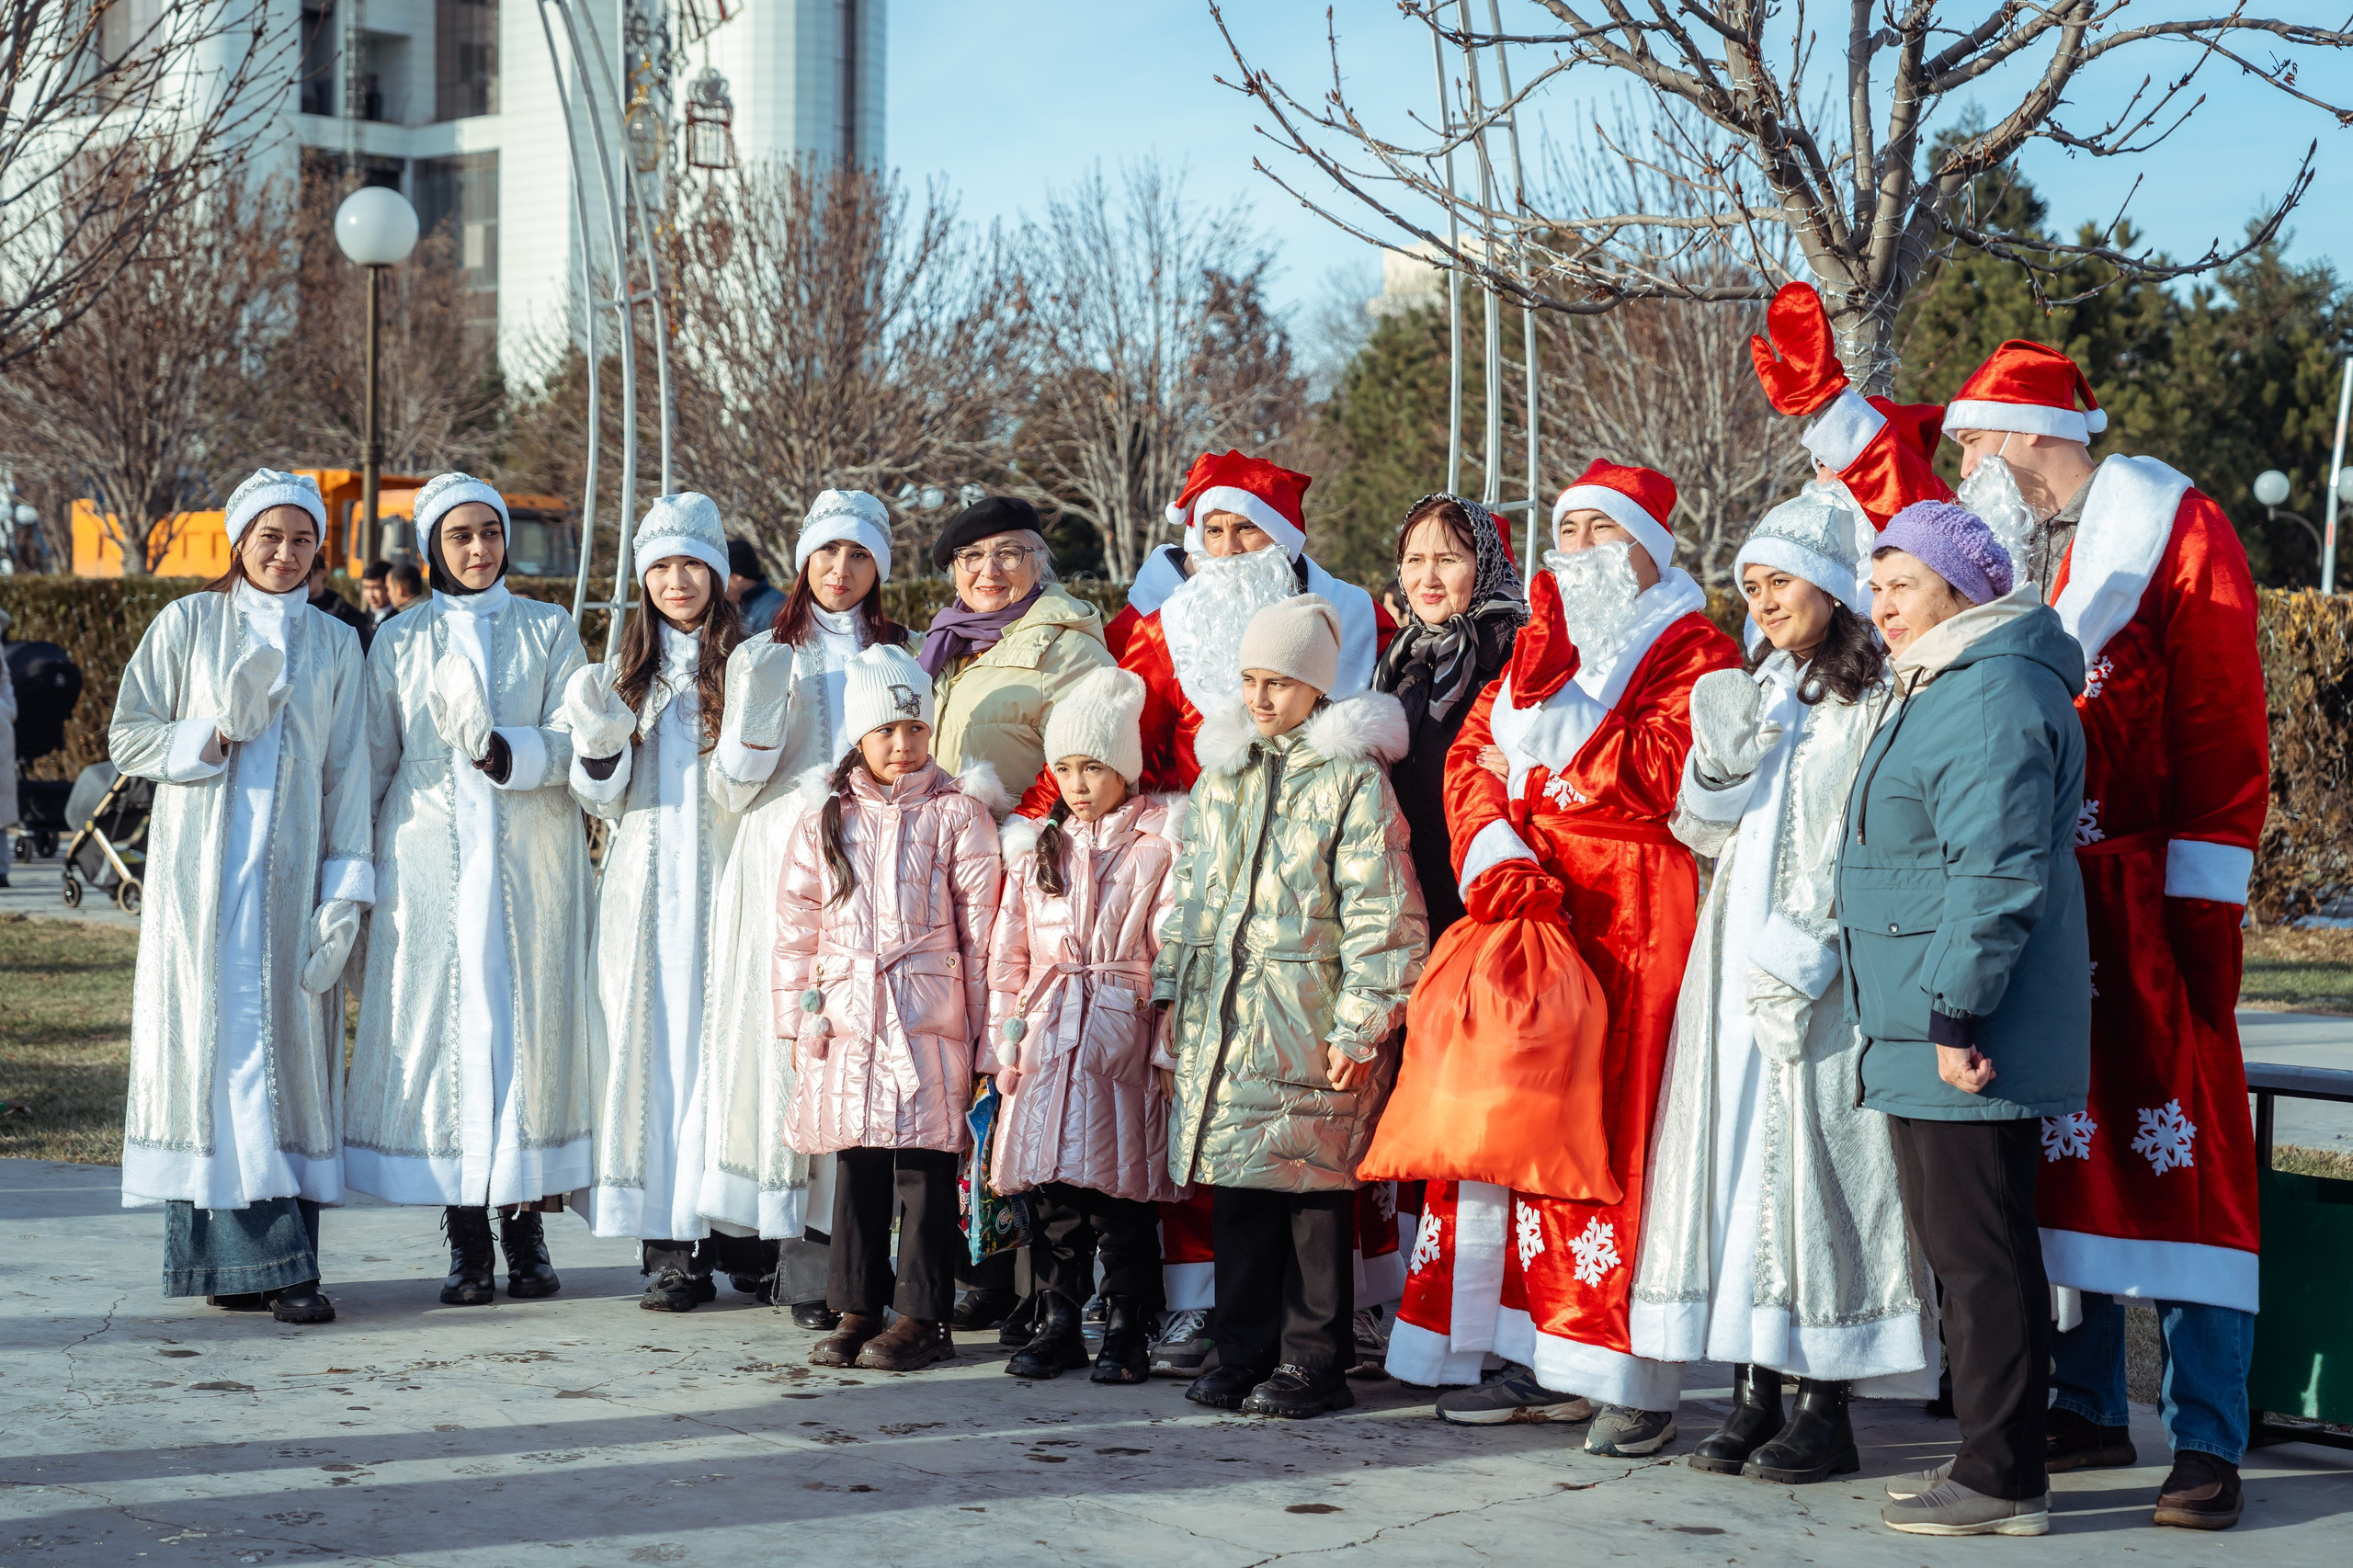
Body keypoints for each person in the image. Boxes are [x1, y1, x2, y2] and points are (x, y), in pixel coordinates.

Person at [1939, 341, 2269, 1532]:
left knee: (2187, 1154)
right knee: (2060, 1150)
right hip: (2051, 897)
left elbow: (2224, 720)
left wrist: (2200, 905)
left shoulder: (2173, 529)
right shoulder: (2047, 553)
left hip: (2148, 899)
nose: (1966, 461)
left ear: (2026, 429)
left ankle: (2208, 1439)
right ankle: (2082, 1403)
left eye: (1975, 439)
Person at [1015, 450, 1399, 1376]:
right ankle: (1205, 1308)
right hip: (1194, 877)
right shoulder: (1160, 624)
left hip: (1316, 886)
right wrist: (1031, 825)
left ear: (1285, 540)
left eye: (1246, 531)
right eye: (1212, 531)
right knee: (1203, 1105)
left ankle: (1340, 1312)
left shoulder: (1352, 618)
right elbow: (1104, 736)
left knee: (1319, 1119)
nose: (1227, 549)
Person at [1386, 460, 1739, 1457]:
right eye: (1567, 526)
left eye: (1599, 528)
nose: (1576, 546)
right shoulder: (1543, 643)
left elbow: (1671, 773)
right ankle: (1516, 1347)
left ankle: (1623, 1363)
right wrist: (1492, 843)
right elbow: (1469, 758)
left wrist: (1548, 755)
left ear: (1648, 547)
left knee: (1610, 1129)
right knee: (1508, 1120)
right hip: (1525, 903)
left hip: (1632, 915)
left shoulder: (1696, 646)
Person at [1630, 489, 1935, 1483]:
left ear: (1832, 587)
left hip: (1823, 972)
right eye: (1750, 584)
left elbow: (1870, 836)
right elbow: (1703, 833)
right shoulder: (1762, 685)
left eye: (1780, 581)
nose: (1761, 600)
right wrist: (1714, 767)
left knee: (1816, 1170)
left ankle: (1825, 1401)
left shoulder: (1871, 697)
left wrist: (1809, 950)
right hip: (1734, 967)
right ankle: (1755, 1386)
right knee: (1741, 1167)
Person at [1839, 499, 2089, 1537]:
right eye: (1876, 582)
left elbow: (1992, 871)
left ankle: (2002, 1479)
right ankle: (1992, 1456)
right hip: (1922, 1018)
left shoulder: (1988, 696)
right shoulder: (1945, 683)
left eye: (1900, 583)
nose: (1878, 602)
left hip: (1965, 1028)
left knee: (1980, 1253)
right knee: (1967, 1249)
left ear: (1960, 587)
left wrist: (1953, 1013)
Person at [108, 469, 372, 1324]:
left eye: (302, 540)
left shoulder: (335, 646)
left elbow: (349, 775)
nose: (286, 554)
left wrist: (344, 889)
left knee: (287, 1063)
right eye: (270, 538)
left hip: (292, 890)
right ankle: (268, 1269)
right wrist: (214, 734)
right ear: (238, 542)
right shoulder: (186, 624)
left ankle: (258, 1265)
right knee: (220, 1059)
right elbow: (128, 735)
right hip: (204, 892)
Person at [1157, 596, 1425, 1419]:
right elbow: (1190, 893)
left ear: (1317, 689)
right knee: (1239, 1189)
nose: (1264, 698)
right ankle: (1241, 1348)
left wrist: (1364, 1020)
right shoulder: (1223, 777)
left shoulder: (1351, 781)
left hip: (1307, 1017)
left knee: (1312, 1193)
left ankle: (1314, 1358)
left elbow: (1384, 910)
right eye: (1250, 681)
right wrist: (1173, 984)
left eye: (1282, 682)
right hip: (1228, 1018)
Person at [344, 472, 595, 1304]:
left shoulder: (547, 629)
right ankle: (465, 1241)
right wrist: (360, 871)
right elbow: (372, 763)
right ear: (431, 549)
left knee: (521, 1037)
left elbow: (576, 740)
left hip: (530, 863)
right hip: (429, 867)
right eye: (461, 536)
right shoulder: (400, 640)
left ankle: (526, 1232)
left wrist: (504, 753)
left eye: (491, 532)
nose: (481, 548)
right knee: (449, 1039)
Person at [699, 489, 911, 1324]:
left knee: (867, 1057)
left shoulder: (904, 652)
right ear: (802, 562)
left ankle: (864, 1259)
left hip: (877, 873)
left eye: (859, 555)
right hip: (783, 870)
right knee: (797, 1049)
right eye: (827, 553)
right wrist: (753, 722)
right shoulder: (764, 651)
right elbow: (728, 788)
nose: (840, 569)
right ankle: (802, 1261)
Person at [774, 642, 1004, 1372]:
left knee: (926, 1170)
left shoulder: (958, 815)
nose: (902, 747)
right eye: (885, 733)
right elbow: (794, 928)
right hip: (845, 1017)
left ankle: (923, 1315)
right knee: (858, 1166)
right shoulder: (826, 819)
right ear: (859, 738)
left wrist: (988, 1040)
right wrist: (795, 1023)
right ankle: (856, 1306)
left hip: (928, 1017)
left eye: (915, 730)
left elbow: (986, 935)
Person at [564, 493, 759, 1310]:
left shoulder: (751, 662)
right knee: (652, 1055)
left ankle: (738, 1232)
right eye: (661, 568)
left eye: (692, 565)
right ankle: (668, 1246)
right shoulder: (618, 675)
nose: (677, 582)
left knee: (725, 1049)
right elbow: (598, 799)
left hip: (726, 877)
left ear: (717, 573)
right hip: (643, 886)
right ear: (643, 579)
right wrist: (603, 750)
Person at [983, 666, 1188, 1384]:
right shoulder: (1042, 846)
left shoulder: (1160, 844)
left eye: (1093, 767)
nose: (1076, 782)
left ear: (1123, 769)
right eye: (1064, 767)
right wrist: (1003, 1039)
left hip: (1117, 1035)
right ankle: (1058, 1319)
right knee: (1052, 1198)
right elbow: (1008, 953)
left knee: (1120, 1196)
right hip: (1044, 1037)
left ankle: (1129, 1325)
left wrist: (1161, 1039)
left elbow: (1173, 947)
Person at [1361, 493, 1527, 1370]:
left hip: (1479, 905)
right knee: (1413, 1100)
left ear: (1485, 568)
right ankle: (1416, 1299)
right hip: (1409, 899)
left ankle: (1481, 1312)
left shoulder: (1510, 648)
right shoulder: (1399, 658)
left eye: (1448, 558)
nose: (1428, 577)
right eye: (1415, 558)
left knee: (1471, 1106)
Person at [925, 494, 1113, 817]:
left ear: (1038, 563)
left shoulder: (1073, 653)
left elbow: (1099, 783)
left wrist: (1022, 846)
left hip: (1024, 857)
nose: (989, 570)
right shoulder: (936, 647)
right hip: (937, 856)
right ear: (955, 571)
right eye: (971, 555)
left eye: (1008, 553)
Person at [305, 554, 372, 653]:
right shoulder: (290, 610)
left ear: (321, 574)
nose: (302, 580)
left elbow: (362, 653)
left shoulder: (345, 612)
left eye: (307, 574)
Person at [726, 537, 789, 637]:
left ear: (738, 576)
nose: (718, 584)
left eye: (722, 576)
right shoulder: (742, 606)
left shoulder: (777, 610)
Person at [359, 561, 395, 629]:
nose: (370, 595)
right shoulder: (360, 620)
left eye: (376, 588)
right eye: (366, 588)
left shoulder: (400, 619)